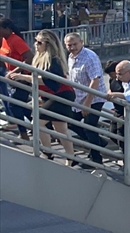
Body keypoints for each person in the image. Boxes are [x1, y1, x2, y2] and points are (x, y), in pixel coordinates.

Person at [11, 31, 79, 161]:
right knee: (60, 128)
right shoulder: (41, 57)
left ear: (48, 44)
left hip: (61, 94)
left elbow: (49, 81)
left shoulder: (53, 60)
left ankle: (47, 152)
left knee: (37, 122)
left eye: (39, 42)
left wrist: (23, 77)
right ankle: (71, 158)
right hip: (54, 95)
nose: (35, 45)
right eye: (35, 41)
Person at [62, 33, 107, 165]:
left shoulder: (89, 57)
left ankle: (96, 159)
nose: (72, 47)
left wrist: (87, 103)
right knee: (70, 123)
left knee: (89, 126)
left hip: (94, 98)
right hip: (78, 97)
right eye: (69, 45)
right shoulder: (70, 57)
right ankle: (99, 143)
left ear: (81, 42)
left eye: (75, 44)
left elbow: (95, 80)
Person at [1, 17, 34, 139]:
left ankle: (23, 133)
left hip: (23, 77)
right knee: (22, 106)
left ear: (7, 29)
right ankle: (44, 128)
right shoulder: (4, 40)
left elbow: (30, 58)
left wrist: (14, 72)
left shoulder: (15, 39)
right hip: (13, 78)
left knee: (14, 105)